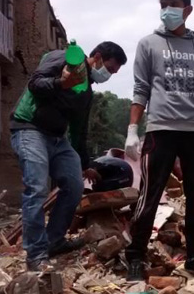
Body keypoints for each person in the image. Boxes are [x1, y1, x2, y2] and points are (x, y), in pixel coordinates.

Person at [124, 0, 194, 282]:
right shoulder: (148, 44)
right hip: (161, 130)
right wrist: (132, 129)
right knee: (149, 195)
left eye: (173, 4)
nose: (167, 10)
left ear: (187, 9)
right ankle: (135, 258)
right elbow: (140, 89)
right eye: (163, 4)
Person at [11, 41, 127, 272]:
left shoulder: (86, 93)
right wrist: (61, 83)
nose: (109, 75)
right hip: (29, 128)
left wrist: (86, 164)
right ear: (98, 57)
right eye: (110, 69)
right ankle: (36, 253)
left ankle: (54, 241)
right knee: (36, 188)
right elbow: (35, 84)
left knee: (74, 186)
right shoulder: (64, 58)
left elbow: (78, 130)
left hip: (57, 138)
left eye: (114, 73)